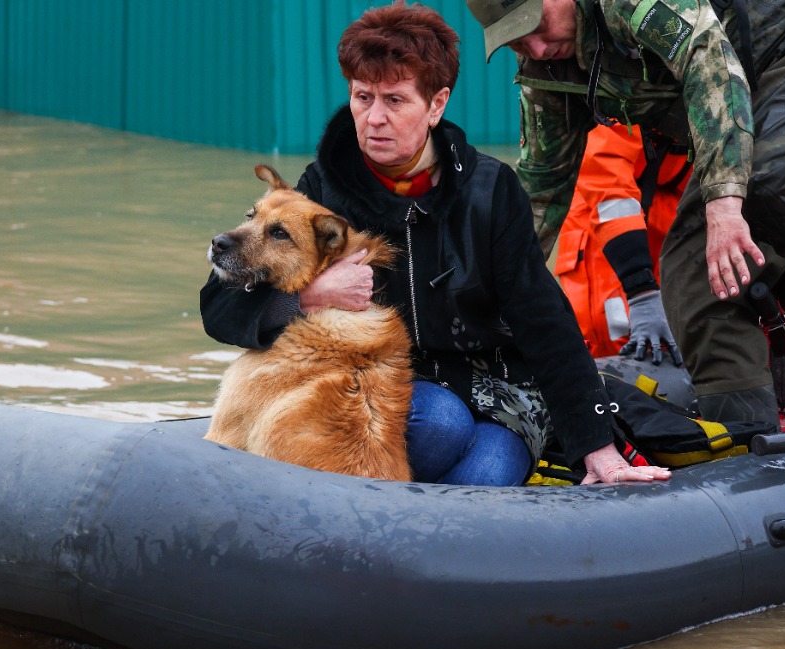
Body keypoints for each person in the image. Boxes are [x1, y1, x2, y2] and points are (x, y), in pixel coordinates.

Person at [200, 2, 670, 486]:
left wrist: (598, 447)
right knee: (439, 425)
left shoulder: (492, 189)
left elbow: (544, 319)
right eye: (362, 98)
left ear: (437, 104)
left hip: (499, 391)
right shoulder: (323, 189)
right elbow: (218, 307)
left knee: (486, 475)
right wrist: (307, 297)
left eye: (395, 100)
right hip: (399, 390)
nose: (374, 119)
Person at [467, 0, 785, 431]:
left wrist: (723, 203)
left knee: (776, 183)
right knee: (697, 273)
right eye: (516, 39)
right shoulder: (547, 71)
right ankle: (752, 454)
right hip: (738, 101)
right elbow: (539, 190)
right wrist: (485, 296)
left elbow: (708, 60)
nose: (536, 47)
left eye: (536, 25)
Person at [557, 123, 690, 361]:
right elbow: (606, 177)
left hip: (676, 211)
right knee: (616, 333)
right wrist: (641, 289)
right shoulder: (621, 97)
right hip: (605, 218)